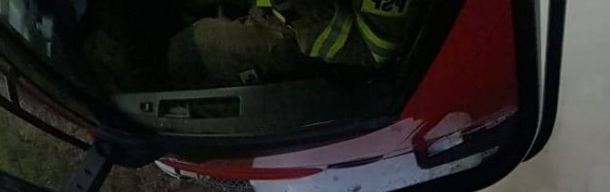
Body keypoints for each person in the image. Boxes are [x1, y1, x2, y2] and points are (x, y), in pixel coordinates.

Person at [167, 0, 422, 88]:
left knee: (189, 48)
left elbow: (375, 50)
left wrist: (297, 9)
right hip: (274, 9)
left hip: (295, 37)